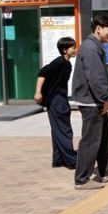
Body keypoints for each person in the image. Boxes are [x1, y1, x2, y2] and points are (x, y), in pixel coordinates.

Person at [72, 15, 108, 190]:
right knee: (91, 139)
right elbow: (96, 77)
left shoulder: (94, 46)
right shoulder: (91, 48)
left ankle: (106, 172)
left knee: (104, 136)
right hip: (92, 101)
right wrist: (105, 99)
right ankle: (82, 179)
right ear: (99, 28)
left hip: (94, 100)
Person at [34, 37, 78, 169]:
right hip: (56, 100)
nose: (75, 49)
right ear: (65, 50)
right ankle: (72, 160)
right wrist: (38, 93)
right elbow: (42, 73)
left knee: (57, 129)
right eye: (73, 47)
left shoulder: (67, 63)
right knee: (64, 129)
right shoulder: (59, 62)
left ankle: (58, 159)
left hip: (60, 98)